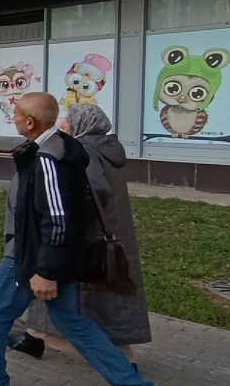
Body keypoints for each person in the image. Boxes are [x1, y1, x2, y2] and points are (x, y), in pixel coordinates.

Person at [0, 92, 171, 386]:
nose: (12, 118)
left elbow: (56, 218)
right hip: (55, 255)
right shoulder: (62, 146)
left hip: (32, 257)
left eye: (16, 114)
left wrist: (45, 271)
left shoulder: (48, 158)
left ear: (30, 122)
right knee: (73, 322)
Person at [10, 105, 151, 362]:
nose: (62, 125)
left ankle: (123, 363)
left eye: (68, 122)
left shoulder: (85, 150)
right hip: (106, 232)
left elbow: (91, 190)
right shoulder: (106, 147)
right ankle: (34, 336)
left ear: (83, 124)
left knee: (79, 295)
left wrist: (63, 216)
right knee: (60, 289)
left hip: (88, 237)